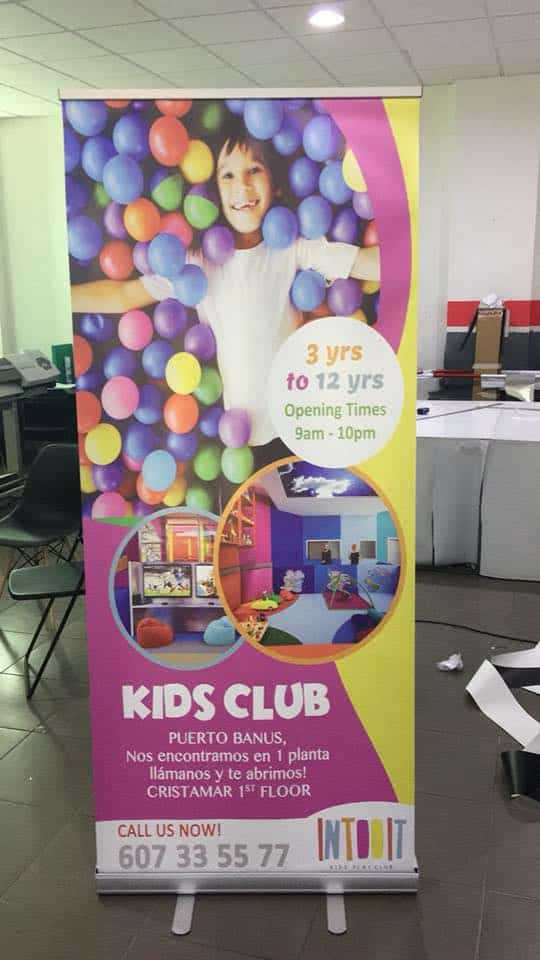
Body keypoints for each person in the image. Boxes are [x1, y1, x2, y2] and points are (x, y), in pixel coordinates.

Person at [71, 120, 380, 464]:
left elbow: (368, 264)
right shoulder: (199, 264)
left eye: (254, 170)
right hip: (242, 444)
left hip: (302, 429)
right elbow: (123, 296)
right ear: (215, 192)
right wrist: (61, 298)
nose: (242, 186)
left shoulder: (293, 247)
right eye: (227, 175)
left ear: (276, 185)